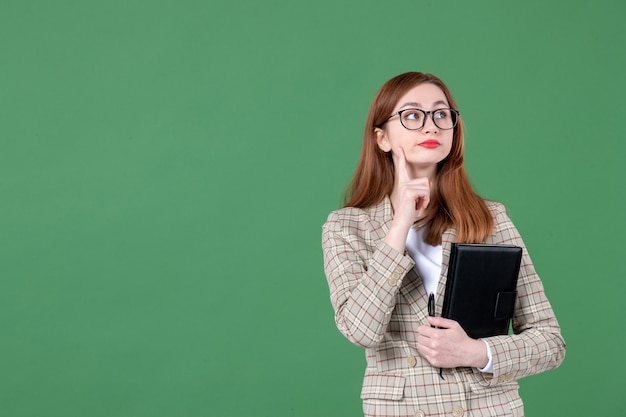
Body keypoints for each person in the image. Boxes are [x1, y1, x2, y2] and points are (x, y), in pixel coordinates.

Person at [321, 72, 565, 417]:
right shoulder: (346, 227)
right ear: (382, 138)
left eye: (441, 114)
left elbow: (550, 341)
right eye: (411, 115)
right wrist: (400, 224)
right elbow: (361, 330)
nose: (430, 126)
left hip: (487, 408)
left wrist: (476, 352)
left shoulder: (489, 219)